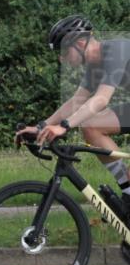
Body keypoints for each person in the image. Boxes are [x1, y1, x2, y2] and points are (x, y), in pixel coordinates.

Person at [16, 15, 130, 217]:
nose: (62, 58)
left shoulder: (117, 50)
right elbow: (76, 101)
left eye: (63, 51)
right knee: (91, 126)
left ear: (79, 43)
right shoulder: (96, 62)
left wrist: (64, 126)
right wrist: (40, 127)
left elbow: (102, 99)